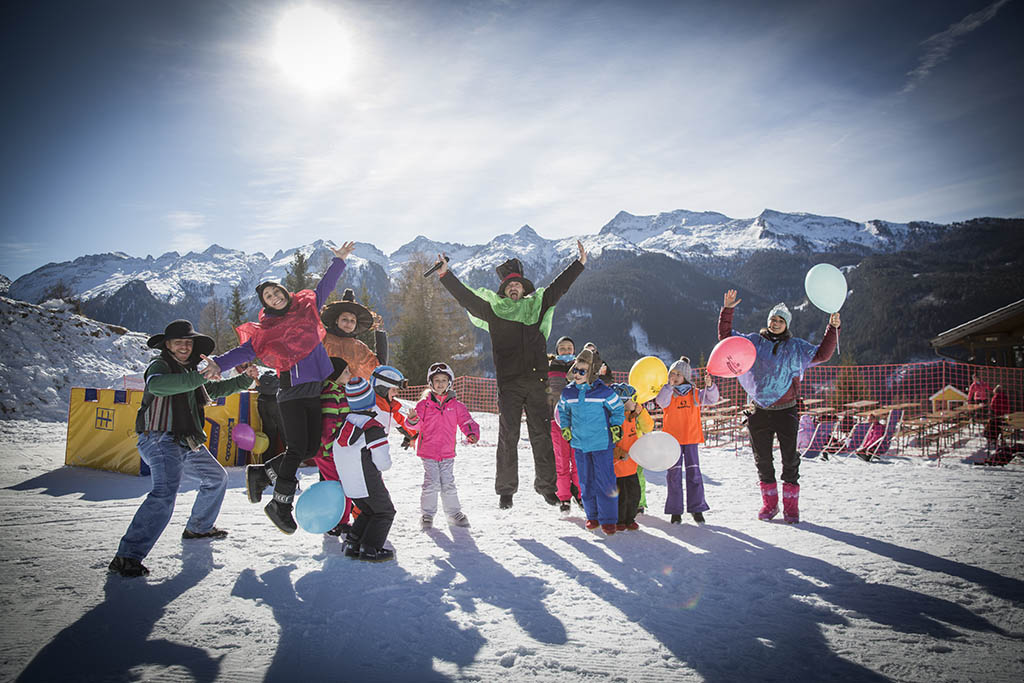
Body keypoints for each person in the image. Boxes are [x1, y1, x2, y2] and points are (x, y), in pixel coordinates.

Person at [203, 241, 356, 534]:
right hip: (292, 392)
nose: (273, 297)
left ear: (285, 292)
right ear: (266, 303)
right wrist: (218, 365)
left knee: (310, 448)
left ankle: (262, 474)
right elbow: (246, 351)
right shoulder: (267, 331)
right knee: (299, 448)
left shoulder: (308, 307)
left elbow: (324, 286)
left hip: (315, 389)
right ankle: (280, 504)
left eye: (276, 291)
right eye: (268, 296)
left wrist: (339, 261)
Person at [434, 241, 587, 510]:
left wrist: (579, 264)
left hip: (539, 382)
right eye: (509, 286)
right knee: (508, 436)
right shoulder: (494, 311)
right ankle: (506, 490)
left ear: (523, 289)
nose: (513, 287)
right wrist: (446, 275)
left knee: (542, 435)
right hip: (510, 384)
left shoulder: (537, 307)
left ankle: (547, 487)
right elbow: (466, 298)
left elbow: (558, 288)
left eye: (517, 284)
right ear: (504, 291)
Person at [108, 320, 259, 577]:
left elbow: (213, 389)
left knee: (215, 478)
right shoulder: (160, 366)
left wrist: (244, 381)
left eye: (188, 342)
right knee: (164, 494)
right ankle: (126, 557)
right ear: (167, 345)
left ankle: (198, 527)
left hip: (186, 439)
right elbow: (157, 386)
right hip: (159, 437)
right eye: (178, 342)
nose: (184, 346)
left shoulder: (191, 371)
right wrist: (198, 376)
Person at [720, 290, 840, 523]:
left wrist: (832, 328)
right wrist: (727, 310)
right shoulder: (754, 341)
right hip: (758, 411)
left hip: (787, 411)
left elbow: (823, 354)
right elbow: (727, 340)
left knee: (789, 460)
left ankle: (791, 508)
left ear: (786, 324)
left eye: (780, 320)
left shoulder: (795, 346)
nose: (776, 323)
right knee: (762, 459)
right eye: (773, 319)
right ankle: (770, 505)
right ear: (768, 321)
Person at [557, 348, 625, 535]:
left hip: (602, 443)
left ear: (592, 372)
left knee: (605, 481)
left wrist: (616, 425)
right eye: (576, 369)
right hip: (580, 444)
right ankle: (592, 515)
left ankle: (609, 519)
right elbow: (563, 411)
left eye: (582, 371)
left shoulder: (603, 392)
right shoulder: (568, 393)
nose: (577, 374)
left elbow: (618, 409)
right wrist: (566, 427)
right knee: (585, 481)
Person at [405, 362, 480, 529]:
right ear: (430, 383)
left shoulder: (456, 406)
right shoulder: (423, 405)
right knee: (431, 483)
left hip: (447, 452)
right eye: (436, 380)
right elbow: (415, 425)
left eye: (444, 380)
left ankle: (453, 513)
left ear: (450, 382)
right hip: (428, 451)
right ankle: (427, 515)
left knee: (448, 483)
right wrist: (412, 420)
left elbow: (466, 421)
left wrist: (471, 433)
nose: (440, 383)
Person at [334, 378, 397, 562]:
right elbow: (383, 462)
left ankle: (354, 543)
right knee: (385, 512)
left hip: (350, 484)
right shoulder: (372, 428)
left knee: (369, 511)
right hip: (367, 481)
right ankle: (370, 549)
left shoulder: (346, 424)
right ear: (371, 400)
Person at [654, 357, 719, 524]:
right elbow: (660, 402)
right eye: (672, 373)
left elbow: (712, 399)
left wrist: (710, 386)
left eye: (678, 374)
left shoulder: (695, 393)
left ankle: (697, 508)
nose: (674, 376)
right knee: (673, 475)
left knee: (694, 474)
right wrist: (668, 386)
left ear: (686, 376)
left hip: (690, 439)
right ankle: (675, 511)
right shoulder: (668, 392)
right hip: (672, 441)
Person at [310, 356, 354, 535]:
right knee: (339, 486)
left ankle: (339, 520)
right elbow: (328, 425)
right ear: (335, 374)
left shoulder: (340, 390)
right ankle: (338, 521)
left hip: (337, 450)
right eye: (346, 371)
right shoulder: (331, 393)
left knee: (342, 484)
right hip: (328, 452)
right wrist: (329, 449)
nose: (349, 374)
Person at [321, 288, 388, 381]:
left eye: (352, 321)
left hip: (350, 393)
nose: (349, 324)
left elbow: (379, 367)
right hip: (324, 392)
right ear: (337, 320)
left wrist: (380, 333)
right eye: (345, 319)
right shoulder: (322, 338)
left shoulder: (360, 348)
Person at [611, 383, 653, 531]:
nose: (636, 402)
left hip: (632, 466)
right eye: (633, 399)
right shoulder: (613, 419)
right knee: (620, 497)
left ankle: (630, 519)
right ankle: (619, 520)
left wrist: (641, 412)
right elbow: (608, 441)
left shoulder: (634, 416)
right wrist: (617, 453)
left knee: (634, 494)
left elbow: (649, 427)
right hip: (618, 467)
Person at [548, 336, 581, 511]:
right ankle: (564, 498)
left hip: (578, 421)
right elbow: (544, 393)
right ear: (557, 351)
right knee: (561, 460)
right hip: (557, 421)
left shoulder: (582, 367)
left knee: (578, 459)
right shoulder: (550, 368)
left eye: (569, 348)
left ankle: (580, 494)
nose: (566, 351)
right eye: (562, 348)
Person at [255, 370, 283, 460]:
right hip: (275, 403)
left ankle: (267, 459)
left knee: (269, 432)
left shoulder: (264, 378)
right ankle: (291, 459)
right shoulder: (280, 377)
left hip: (261, 402)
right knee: (284, 431)